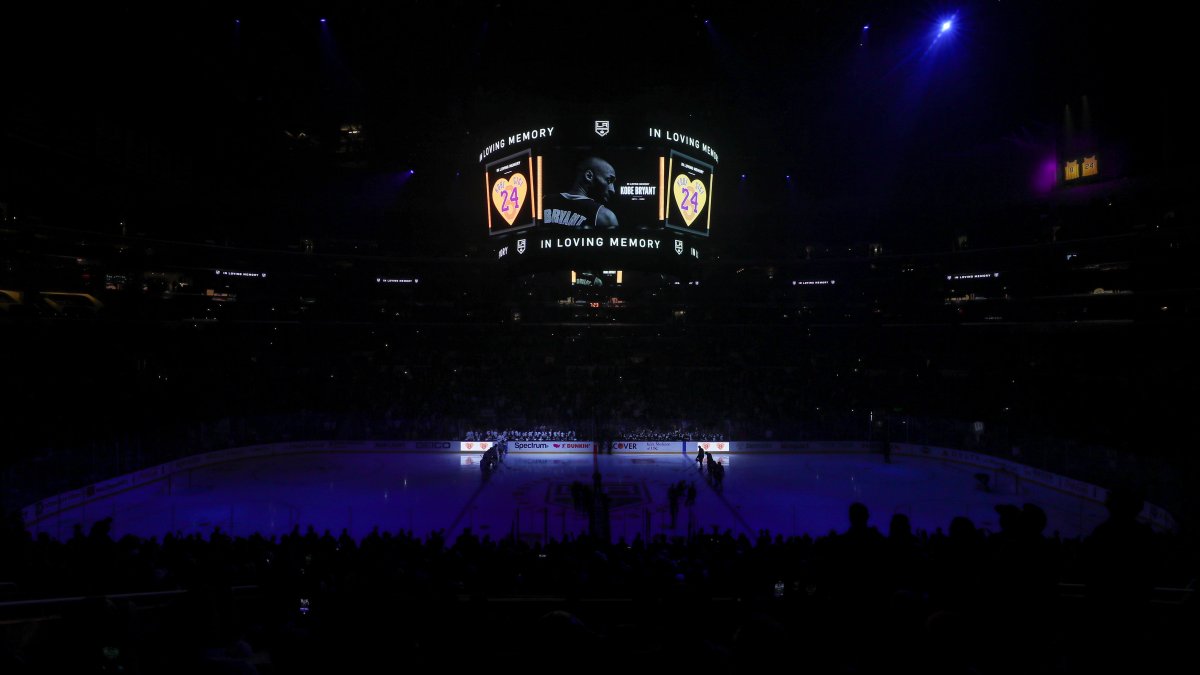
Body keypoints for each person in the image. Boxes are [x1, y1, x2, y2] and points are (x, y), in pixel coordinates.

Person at [540, 157, 619, 230]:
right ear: (589, 176)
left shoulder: (542, 202)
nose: (612, 190)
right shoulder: (605, 216)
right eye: (609, 180)